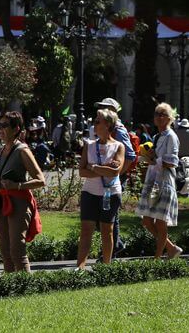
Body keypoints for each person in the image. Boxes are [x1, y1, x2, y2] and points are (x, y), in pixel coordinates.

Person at [0, 112, 45, 273]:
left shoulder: (22, 150)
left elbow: (40, 180)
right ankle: (10, 287)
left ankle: (24, 288)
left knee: (17, 251)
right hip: (2, 202)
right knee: (5, 251)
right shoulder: (2, 149)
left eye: (5, 126)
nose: (0, 130)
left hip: (19, 203)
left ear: (16, 128)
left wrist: (16, 185)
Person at [76, 108, 124, 268]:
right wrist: (104, 168)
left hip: (110, 193)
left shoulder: (118, 146)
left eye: (97, 121)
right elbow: (82, 171)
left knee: (107, 230)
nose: (94, 124)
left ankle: (106, 267)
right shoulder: (89, 145)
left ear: (108, 125)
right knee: (86, 230)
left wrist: (94, 167)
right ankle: (80, 267)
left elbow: (115, 171)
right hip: (89, 192)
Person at [134, 103, 183, 259]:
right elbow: (155, 159)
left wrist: (154, 158)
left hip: (165, 183)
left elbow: (173, 161)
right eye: (157, 114)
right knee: (147, 221)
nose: (160, 117)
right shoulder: (156, 136)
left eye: (163, 114)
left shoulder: (171, 136)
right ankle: (171, 248)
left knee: (160, 223)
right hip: (153, 182)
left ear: (170, 118)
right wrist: (147, 158)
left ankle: (157, 258)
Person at [93, 98, 136, 257]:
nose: (100, 111)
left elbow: (130, 156)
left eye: (104, 108)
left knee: (110, 214)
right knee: (103, 213)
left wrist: (117, 175)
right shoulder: (104, 127)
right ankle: (115, 245)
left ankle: (113, 248)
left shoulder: (119, 130)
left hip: (113, 179)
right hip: (104, 178)